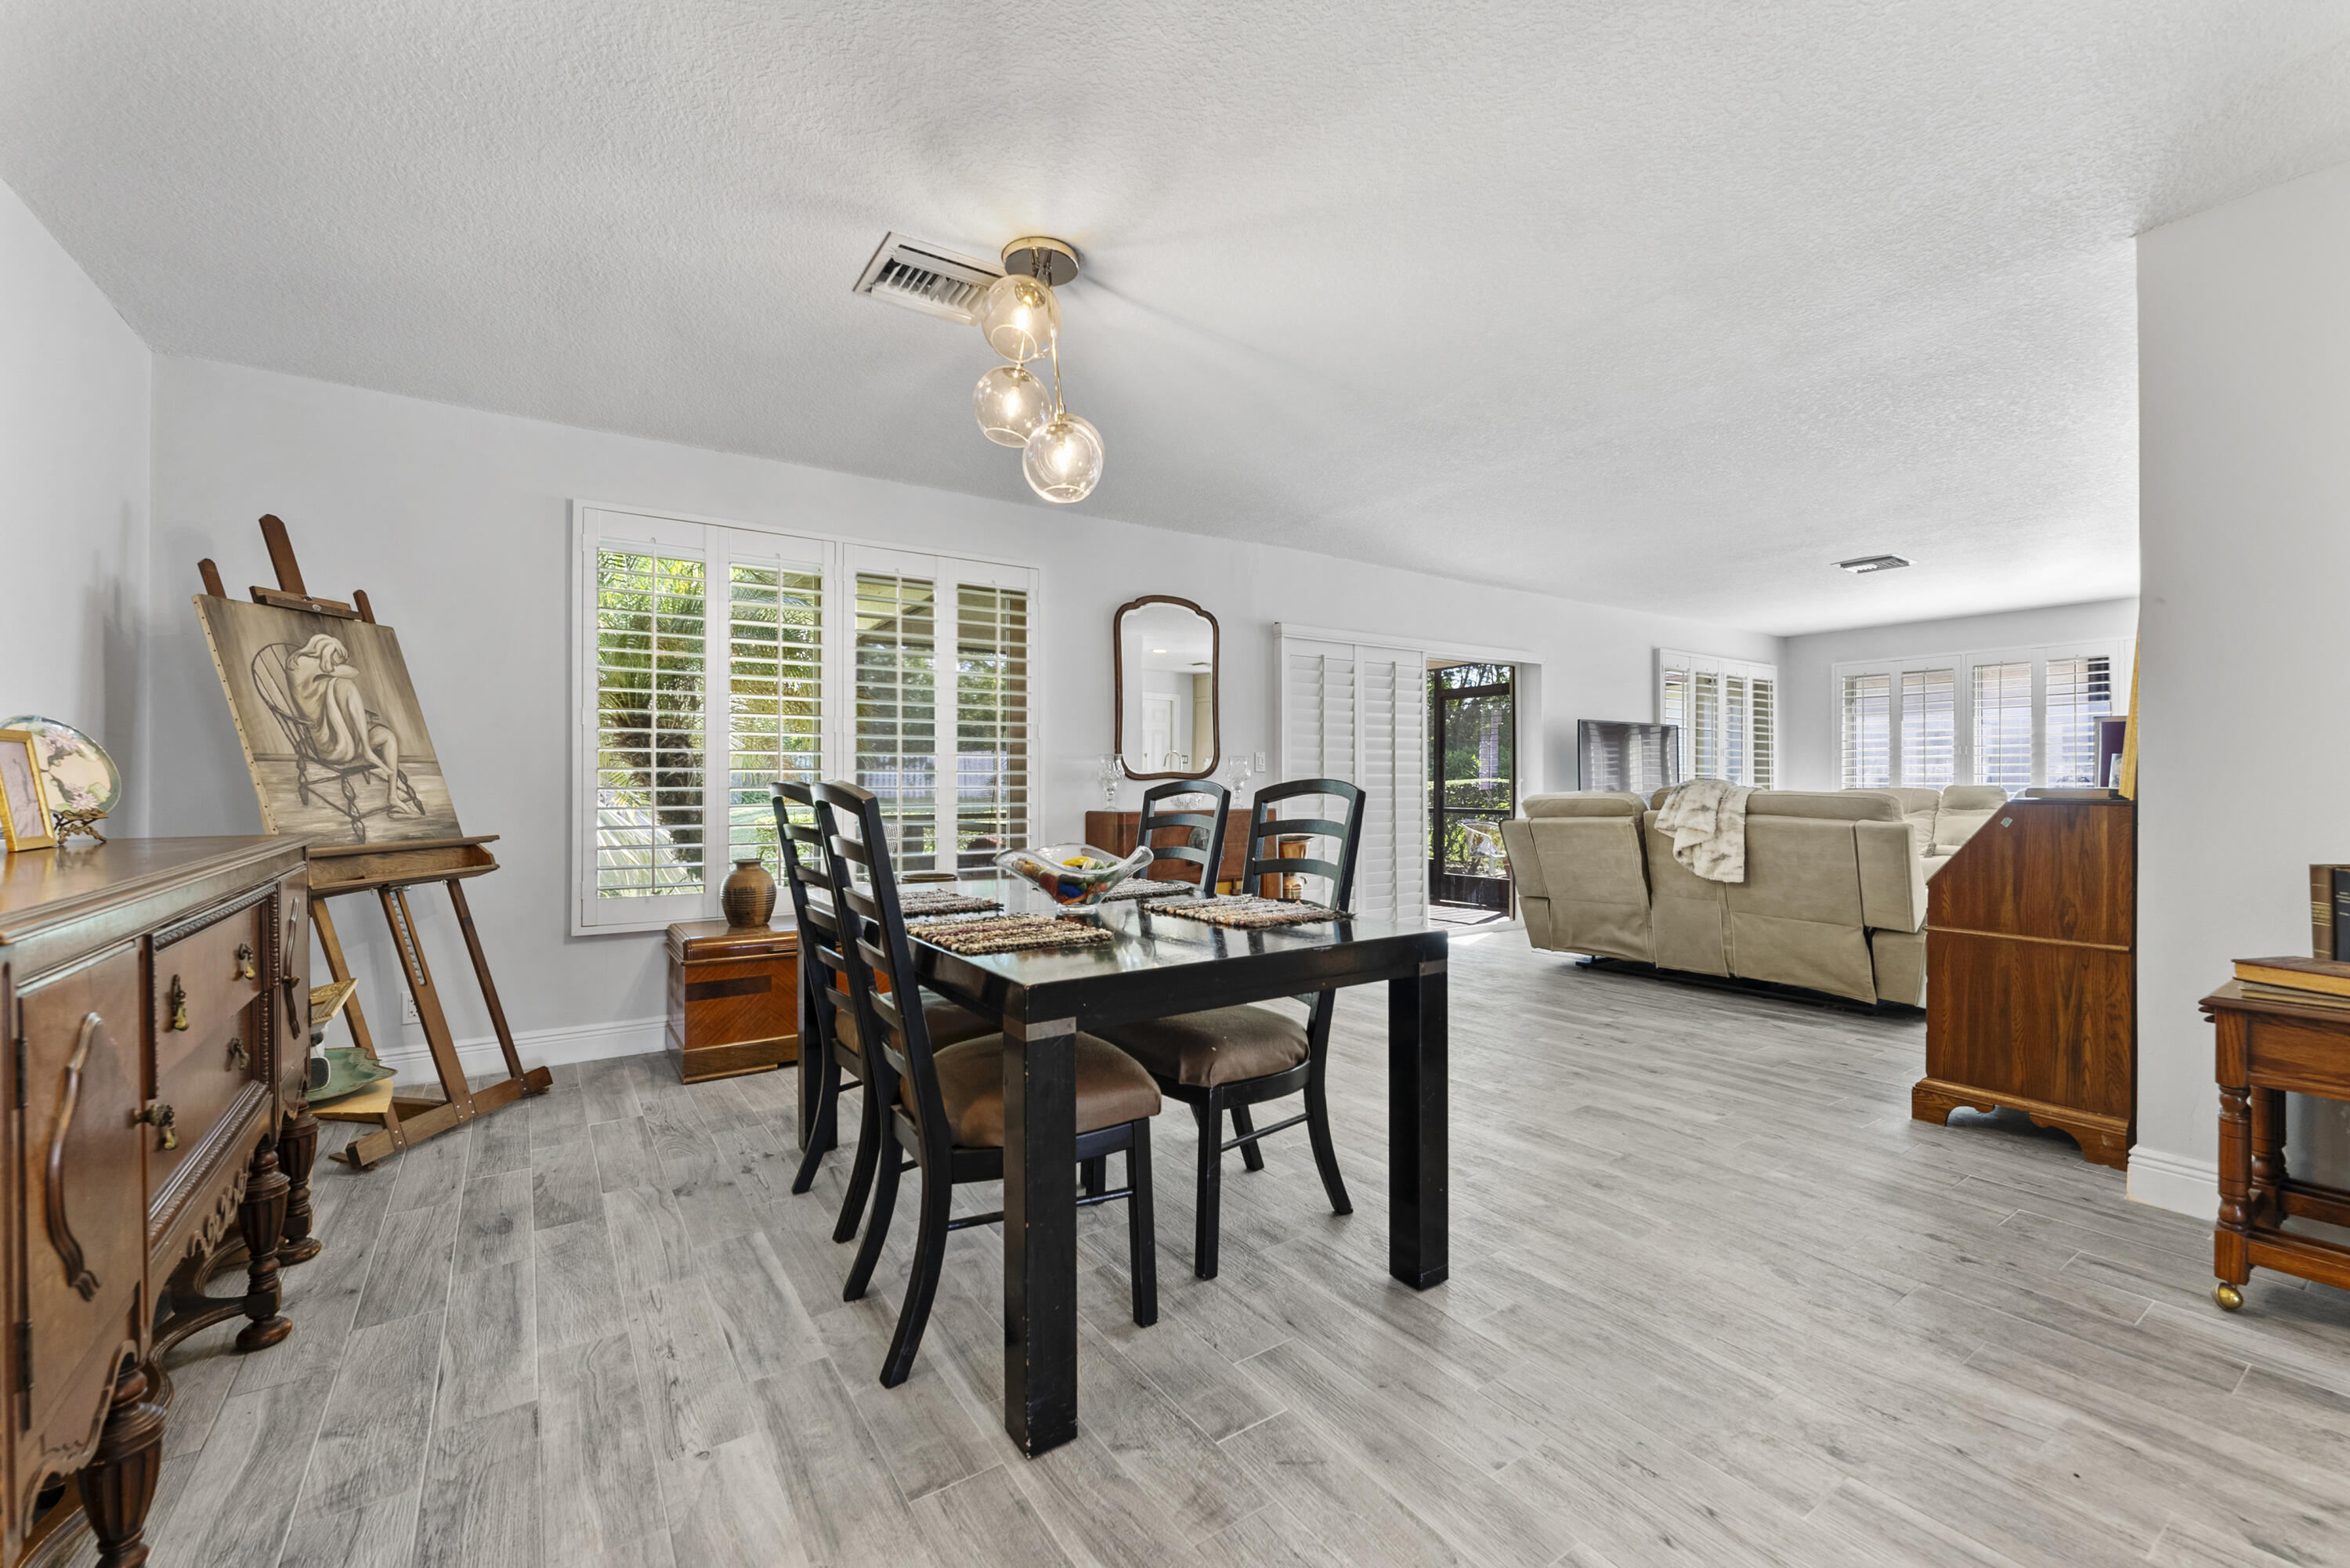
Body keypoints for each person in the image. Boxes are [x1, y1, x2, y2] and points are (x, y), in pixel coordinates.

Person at [284, 634, 418, 818]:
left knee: (388, 736)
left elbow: (352, 672)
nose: (334, 665)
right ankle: (367, 750)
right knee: (345, 685)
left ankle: (393, 796)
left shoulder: (321, 671)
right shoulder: (298, 664)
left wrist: (330, 661)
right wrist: (330, 655)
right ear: (325, 652)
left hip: (348, 737)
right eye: (335, 659)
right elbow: (352, 672)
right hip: (332, 746)